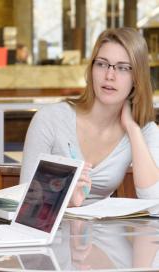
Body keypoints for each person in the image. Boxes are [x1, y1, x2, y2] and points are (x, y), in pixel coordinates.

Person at [19, 27, 159, 207]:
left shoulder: (143, 129)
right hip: (53, 232)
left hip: (104, 232)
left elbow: (154, 199)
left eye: (123, 68)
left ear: (137, 77)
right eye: (101, 64)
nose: (109, 76)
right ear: (91, 69)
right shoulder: (50, 119)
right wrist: (67, 200)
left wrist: (132, 129)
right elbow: (25, 203)